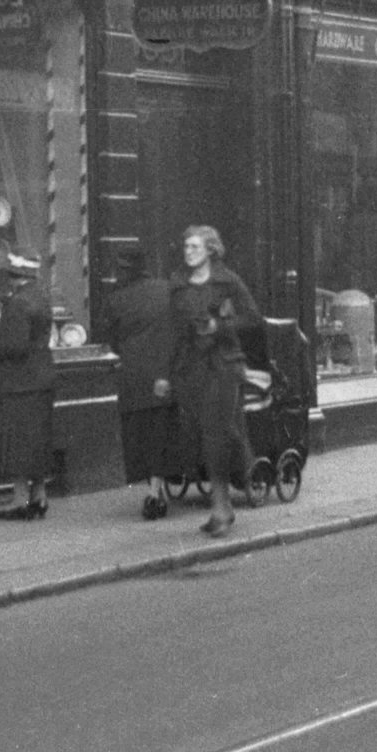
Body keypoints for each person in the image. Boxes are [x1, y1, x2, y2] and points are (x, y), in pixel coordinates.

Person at [157, 224, 260, 537]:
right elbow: (171, 332)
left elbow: (253, 319)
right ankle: (229, 493)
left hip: (225, 366)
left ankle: (221, 507)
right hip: (191, 369)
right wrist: (163, 373)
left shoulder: (228, 282)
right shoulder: (178, 286)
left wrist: (221, 326)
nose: (188, 252)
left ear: (211, 250)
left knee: (215, 432)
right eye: (186, 247)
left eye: (195, 247)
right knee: (203, 434)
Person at [102, 244, 177, 520]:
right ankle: (156, 490)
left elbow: (111, 339)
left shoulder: (116, 299)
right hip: (163, 373)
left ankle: (152, 491)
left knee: (140, 436)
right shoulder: (166, 290)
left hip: (133, 375)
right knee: (161, 433)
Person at [0, 261, 58, 521]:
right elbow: (27, 333)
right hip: (42, 378)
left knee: (18, 444)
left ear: (14, 275)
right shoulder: (41, 295)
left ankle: (19, 500)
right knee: (36, 442)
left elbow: (15, 345)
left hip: (20, 383)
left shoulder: (18, 302)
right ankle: (39, 497)